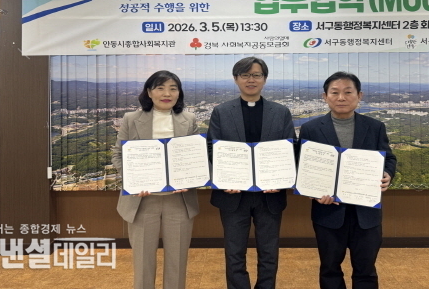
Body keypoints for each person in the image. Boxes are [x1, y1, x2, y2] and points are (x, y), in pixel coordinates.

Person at [299, 71, 396, 289]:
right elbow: (303, 166)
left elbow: (388, 158)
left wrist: (388, 174)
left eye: (348, 92)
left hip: (366, 213)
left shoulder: (375, 127)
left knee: (366, 270)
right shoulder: (310, 129)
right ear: (325, 97)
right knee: (330, 269)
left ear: (359, 95)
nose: (341, 97)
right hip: (328, 212)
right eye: (334, 92)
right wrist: (312, 191)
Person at [208, 56, 296, 289]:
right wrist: (223, 179)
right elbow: (212, 149)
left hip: (270, 194)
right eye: (245, 75)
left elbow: (290, 150)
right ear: (236, 79)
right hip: (233, 194)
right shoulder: (221, 112)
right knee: (234, 252)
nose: (251, 80)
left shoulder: (281, 112)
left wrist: (281, 179)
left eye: (256, 75)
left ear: (264, 79)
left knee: (269, 252)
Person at [112, 70, 199, 289]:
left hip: (178, 200)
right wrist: (133, 181)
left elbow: (195, 156)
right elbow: (117, 155)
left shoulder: (189, 120)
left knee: (177, 260)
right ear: (149, 92)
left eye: (173, 88)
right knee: (142, 260)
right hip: (142, 200)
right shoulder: (131, 119)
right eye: (160, 88)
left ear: (179, 93)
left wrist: (189, 179)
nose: (167, 94)